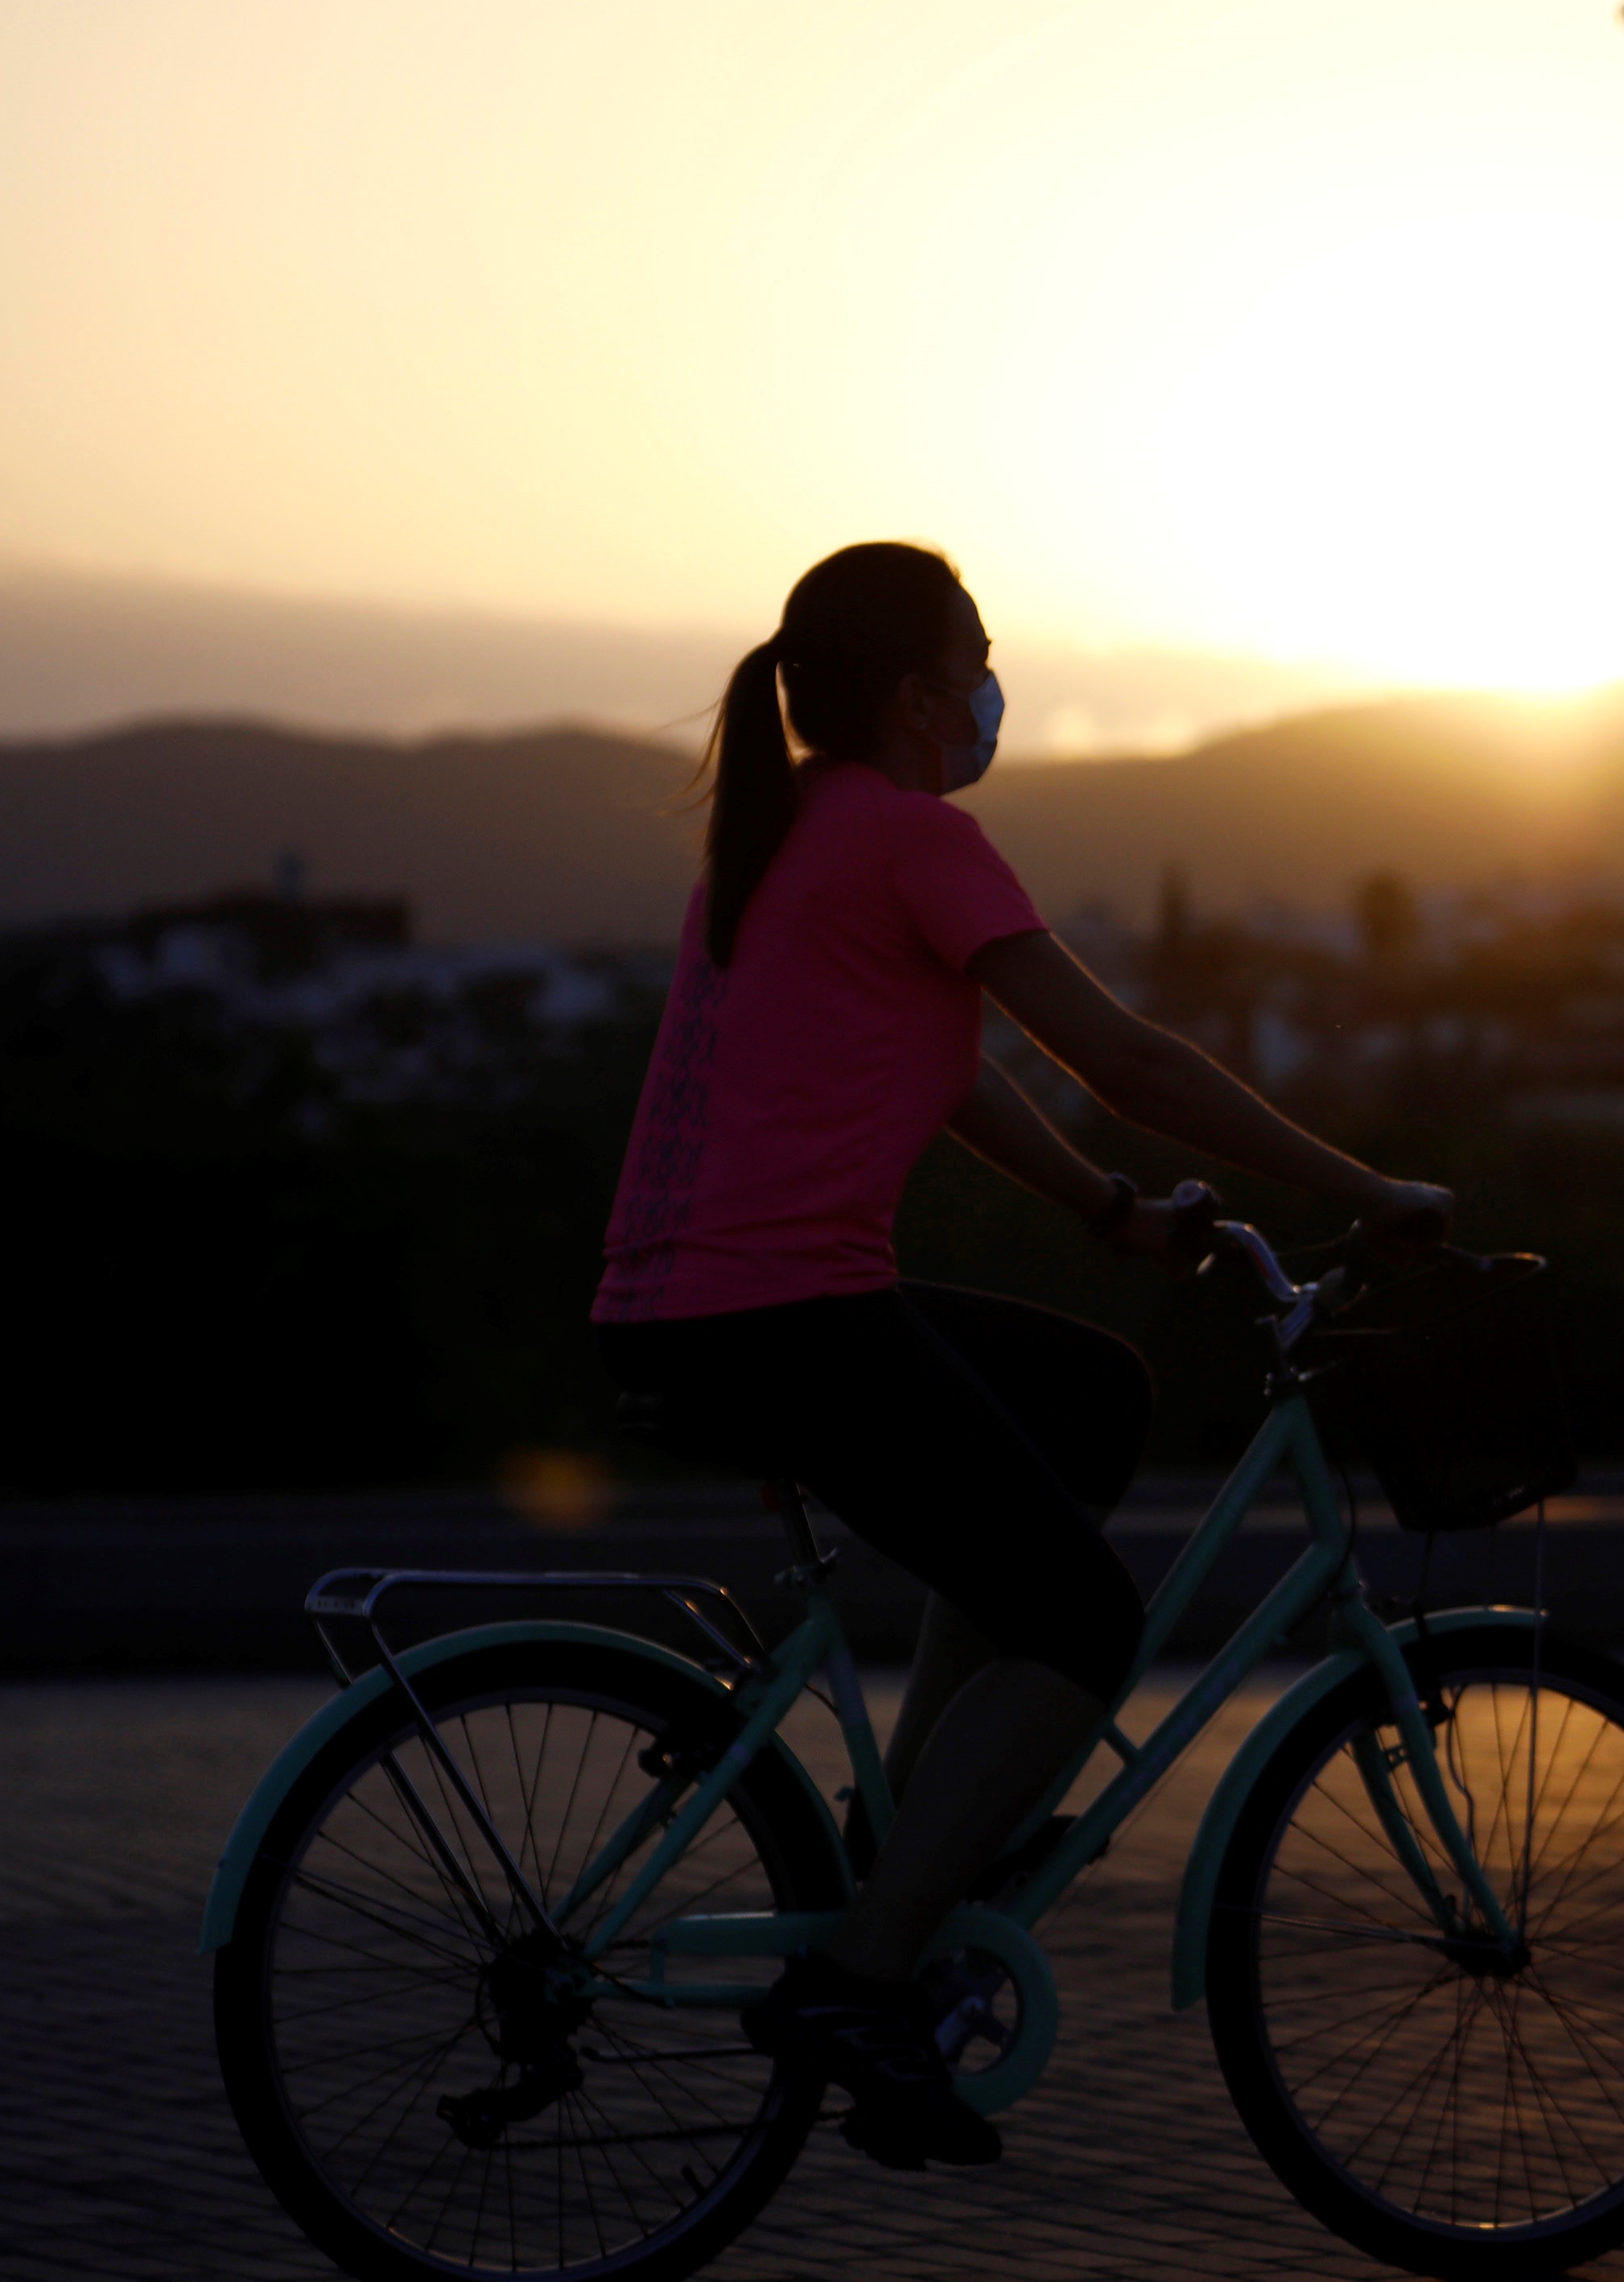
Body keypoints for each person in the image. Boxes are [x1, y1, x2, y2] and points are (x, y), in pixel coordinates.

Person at [591, 542, 1453, 2172]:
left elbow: (949, 1067)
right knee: (1086, 1616)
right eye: (979, 658)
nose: (995, 688)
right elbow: (1127, 1057)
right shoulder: (920, 839)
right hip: (782, 1314)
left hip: (689, 1306)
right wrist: (1366, 1187)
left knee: (1082, 1400)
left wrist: (1104, 1209)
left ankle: (909, 1840)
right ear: (922, 696)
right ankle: (862, 1975)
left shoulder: (777, 845)